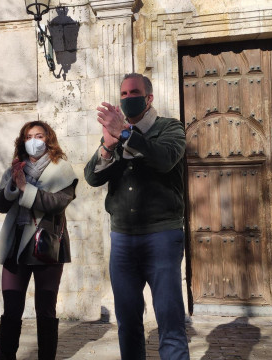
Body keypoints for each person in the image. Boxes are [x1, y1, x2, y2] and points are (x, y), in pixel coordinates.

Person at [84, 73, 189, 359]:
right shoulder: (116, 136)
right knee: (128, 322)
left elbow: (165, 158)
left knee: (170, 320)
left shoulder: (170, 128)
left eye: (134, 93)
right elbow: (92, 178)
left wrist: (126, 134)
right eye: (124, 94)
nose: (128, 98)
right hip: (122, 240)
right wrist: (107, 146)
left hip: (162, 236)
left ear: (149, 98)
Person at [0, 121, 78, 360]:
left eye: (39, 136)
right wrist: (13, 185)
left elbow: (57, 203)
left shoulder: (62, 169)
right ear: (22, 140)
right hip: (14, 246)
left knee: (46, 310)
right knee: (11, 309)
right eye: (29, 136)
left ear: (48, 139)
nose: (34, 141)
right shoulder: (14, 169)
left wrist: (25, 189)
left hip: (46, 245)